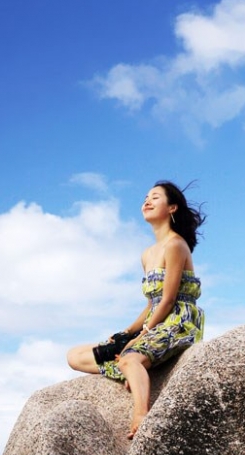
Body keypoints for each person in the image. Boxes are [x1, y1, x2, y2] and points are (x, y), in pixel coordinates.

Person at [67, 181, 206, 439]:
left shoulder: (176, 245)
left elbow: (168, 299)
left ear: (172, 207)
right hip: (156, 318)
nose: (147, 201)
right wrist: (127, 332)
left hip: (177, 320)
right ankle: (131, 369)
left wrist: (142, 335)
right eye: (145, 197)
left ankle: (141, 413)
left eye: (155, 197)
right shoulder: (147, 254)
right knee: (75, 356)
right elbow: (151, 303)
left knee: (130, 357)